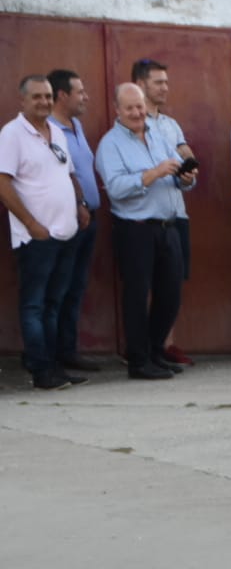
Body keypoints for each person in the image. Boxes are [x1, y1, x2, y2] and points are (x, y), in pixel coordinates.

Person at [95, 81, 194, 380]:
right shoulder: (109, 144)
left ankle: (155, 352)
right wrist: (151, 174)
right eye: (130, 108)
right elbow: (115, 188)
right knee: (137, 296)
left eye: (140, 106)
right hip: (135, 229)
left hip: (168, 225)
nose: (138, 113)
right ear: (117, 110)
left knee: (170, 293)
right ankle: (138, 361)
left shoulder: (160, 136)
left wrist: (186, 177)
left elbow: (177, 172)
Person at [0, 74, 92, 390]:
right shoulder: (12, 134)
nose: (44, 102)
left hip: (66, 233)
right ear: (22, 100)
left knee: (54, 304)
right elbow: (2, 183)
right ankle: (41, 372)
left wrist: (79, 204)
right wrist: (31, 224)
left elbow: (68, 173)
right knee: (35, 306)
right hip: (37, 238)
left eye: (48, 96)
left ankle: (55, 369)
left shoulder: (56, 131)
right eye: (37, 96)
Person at [133, 58, 195, 366]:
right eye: (158, 82)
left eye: (166, 82)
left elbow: (187, 161)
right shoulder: (132, 125)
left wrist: (188, 176)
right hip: (144, 218)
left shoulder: (171, 126)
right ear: (140, 84)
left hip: (175, 212)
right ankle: (143, 346)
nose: (165, 88)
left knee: (172, 282)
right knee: (145, 283)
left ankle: (166, 343)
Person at [45, 69, 101, 375]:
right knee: (59, 288)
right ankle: (49, 356)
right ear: (62, 95)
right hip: (68, 219)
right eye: (80, 92)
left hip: (90, 218)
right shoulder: (49, 129)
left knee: (76, 287)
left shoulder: (76, 125)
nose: (86, 97)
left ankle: (68, 351)